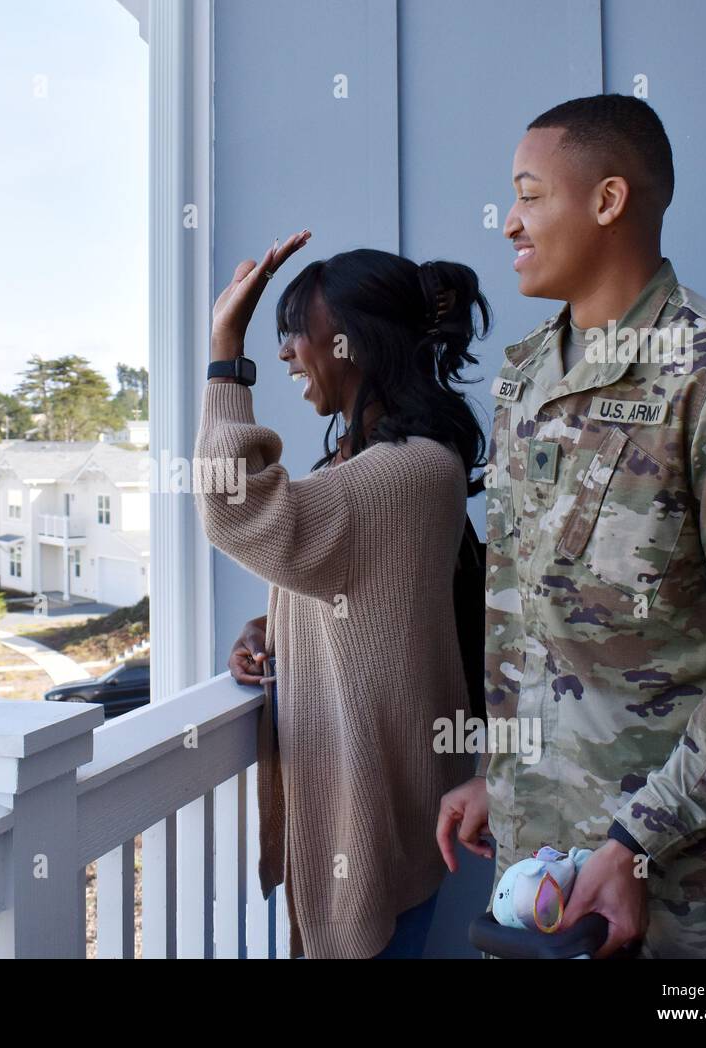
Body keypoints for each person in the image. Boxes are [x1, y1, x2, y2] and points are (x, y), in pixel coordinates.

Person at [436, 94, 706, 958]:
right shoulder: (526, 379)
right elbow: (522, 624)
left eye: (530, 194)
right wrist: (498, 778)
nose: (508, 222)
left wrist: (634, 843)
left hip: (698, 907)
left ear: (609, 200)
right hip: (545, 883)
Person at [195, 231, 487, 958]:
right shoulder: (381, 462)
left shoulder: (404, 471)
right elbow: (379, 601)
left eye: (298, 331)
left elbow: (235, 508)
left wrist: (227, 350)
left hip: (368, 827)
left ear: (356, 342)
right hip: (383, 818)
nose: (288, 350)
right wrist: (271, 630)